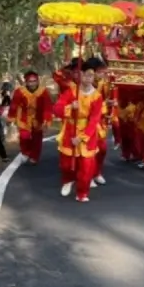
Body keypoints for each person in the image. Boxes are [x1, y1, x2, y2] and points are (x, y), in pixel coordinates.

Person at [53, 61, 103, 202]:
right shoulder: (71, 92)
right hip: (70, 129)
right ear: (80, 75)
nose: (88, 78)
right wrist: (69, 107)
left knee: (86, 166)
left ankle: (82, 193)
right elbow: (57, 109)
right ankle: (67, 180)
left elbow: (94, 119)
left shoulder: (97, 97)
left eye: (91, 76)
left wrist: (82, 137)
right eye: (85, 75)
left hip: (87, 134)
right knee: (66, 163)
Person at [8, 71, 53, 164]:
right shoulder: (19, 91)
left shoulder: (43, 91)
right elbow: (14, 105)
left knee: (37, 139)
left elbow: (47, 106)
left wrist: (46, 119)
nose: (32, 83)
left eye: (34, 81)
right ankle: (25, 152)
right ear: (26, 82)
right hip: (24, 117)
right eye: (30, 81)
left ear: (37, 81)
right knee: (24, 137)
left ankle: (34, 157)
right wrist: (11, 117)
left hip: (38, 118)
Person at [90, 57, 110, 186]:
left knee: (102, 149)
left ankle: (97, 172)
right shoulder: (84, 85)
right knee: (89, 150)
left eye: (103, 71)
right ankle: (89, 175)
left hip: (100, 121)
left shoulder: (105, 83)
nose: (102, 74)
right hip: (87, 122)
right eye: (99, 71)